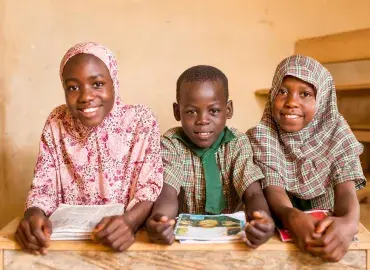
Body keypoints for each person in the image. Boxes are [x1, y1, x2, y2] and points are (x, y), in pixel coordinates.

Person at [15, 42, 163, 254]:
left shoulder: (140, 121)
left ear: (114, 83)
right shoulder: (57, 121)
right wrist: (33, 215)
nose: (85, 96)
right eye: (73, 87)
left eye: (97, 84)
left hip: (128, 240)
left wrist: (129, 222)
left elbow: (149, 187)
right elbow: (43, 188)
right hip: (68, 247)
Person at [247, 55, 366, 261]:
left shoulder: (337, 132)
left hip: (328, 229)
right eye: (283, 91)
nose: (292, 102)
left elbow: (346, 191)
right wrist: (290, 215)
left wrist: (349, 222)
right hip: (276, 230)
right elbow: (273, 187)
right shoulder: (262, 134)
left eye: (305, 94)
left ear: (322, 101)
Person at [146, 65, 274, 247]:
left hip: (232, 242)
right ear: (177, 111)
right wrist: (161, 220)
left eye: (213, 111)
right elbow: (168, 193)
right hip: (187, 243)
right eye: (191, 111)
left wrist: (261, 220)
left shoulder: (237, 142)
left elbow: (252, 193)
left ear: (228, 109)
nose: (202, 120)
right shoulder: (172, 143)